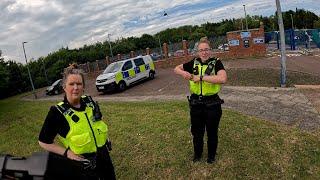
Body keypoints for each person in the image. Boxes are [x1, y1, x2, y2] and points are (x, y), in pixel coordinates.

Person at [38, 64, 116, 179]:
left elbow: (98, 122)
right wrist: (68, 153)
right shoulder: (57, 112)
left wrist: (105, 138)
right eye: (71, 84)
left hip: (104, 158)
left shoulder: (90, 102)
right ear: (64, 87)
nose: (76, 87)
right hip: (82, 164)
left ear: (83, 87)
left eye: (79, 84)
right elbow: (43, 142)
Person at [174, 37, 227, 164]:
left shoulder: (216, 62)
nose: (204, 52)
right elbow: (176, 68)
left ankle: (211, 157)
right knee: (197, 132)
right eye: (201, 50)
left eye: (206, 49)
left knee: (212, 132)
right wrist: (183, 74)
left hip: (212, 103)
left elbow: (222, 78)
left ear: (210, 50)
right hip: (196, 103)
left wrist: (201, 77)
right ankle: (197, 155)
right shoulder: (194, 62)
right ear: (198, 52)